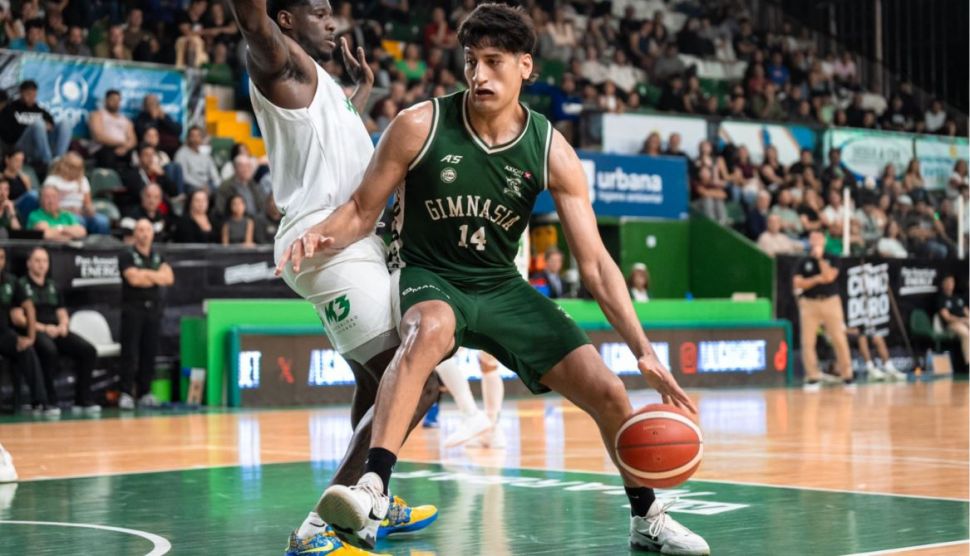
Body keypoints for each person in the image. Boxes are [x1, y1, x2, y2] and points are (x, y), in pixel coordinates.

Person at [279, 5, 707, 554]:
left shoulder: (550, 148)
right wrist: (319, 235)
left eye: (494, 61)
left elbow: (597, 265)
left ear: (525, 66)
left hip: (500, 285)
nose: (479, 75)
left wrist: (643, 350)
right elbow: (362, 211)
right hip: (430, 275)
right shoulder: (419, 124)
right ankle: (373, 487)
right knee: (428, 329)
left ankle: (647, 518)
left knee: (608, 390)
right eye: (471, 61)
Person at [227, 0, 440, 553]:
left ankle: (370, 501)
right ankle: (319, 526)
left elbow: (333, 135)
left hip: (350, 242)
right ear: (286, 20)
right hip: (326, 243)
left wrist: (359, 91)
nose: (331, 22)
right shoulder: (278, 61)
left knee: (374, 382)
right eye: (318, 12)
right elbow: (251, 19)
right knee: (418, 382)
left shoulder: (318, 86)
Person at [17, 247, 100, 413]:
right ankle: (49, 401)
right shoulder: (21, 285)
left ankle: (83, 400)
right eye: (37, 261)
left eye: (44, 261)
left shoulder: (53, 286)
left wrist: (63, 325)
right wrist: (44, 328)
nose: (41, 265)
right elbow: (19, 318)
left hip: (56, 329)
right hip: (35, 330)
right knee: (49, 350)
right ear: (28, 263)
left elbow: (62, 312)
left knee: (88, 350)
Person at [118, 219, 174, 410]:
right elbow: (133, 279)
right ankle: (126, 392)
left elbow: (168, 278)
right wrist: (155, 276)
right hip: (132, 309)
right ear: (135, 234)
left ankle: (144, 392)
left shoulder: (158, 256)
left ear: (152, 233)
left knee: (149, 351)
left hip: (153, 310)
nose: (144, 234)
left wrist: (145, 274)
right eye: (140, 230)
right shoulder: (127, 255)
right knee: (130, 352)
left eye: (147, 230)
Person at [794, 231, 852, 390]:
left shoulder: (832, 258)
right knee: (807, 341)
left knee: (839, 338)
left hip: (830, 302)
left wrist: (820, 259)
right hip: (809, 303)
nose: (815, 242)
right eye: (812, 239)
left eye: (818, 239)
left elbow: (829, 277)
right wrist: (817, 279)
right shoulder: (803, 261)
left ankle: (847, 375)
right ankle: (813, 377)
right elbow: (798, 283)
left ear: (824, 241)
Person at [0, 247, 55, 415]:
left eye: (1, 257)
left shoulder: (10, 281)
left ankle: (40, 402)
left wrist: (31, 337)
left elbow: (29, 307)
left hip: (3, 333)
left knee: (26, 349)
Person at [0, 81, 72, 167]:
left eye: (34, 95)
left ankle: (58, 160)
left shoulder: (39, 110)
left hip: (42, 145)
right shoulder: (10, 109)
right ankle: (48, 162)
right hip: (21, 146)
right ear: (21, 93)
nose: (31, 97)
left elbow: (51, 124)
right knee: (38, 124)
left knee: (65, 123)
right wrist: (31, 127)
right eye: (28, 94)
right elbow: (7, 135)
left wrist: (48, 127)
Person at [42, 152, 111, 235]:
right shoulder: (52, 180)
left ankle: (102, 242)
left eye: (77, 168)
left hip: (81, 212)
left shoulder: (83, 180)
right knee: (78, 221)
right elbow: (48, 202)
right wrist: (67, 210)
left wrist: (89, 210)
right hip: (61, 213)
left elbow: (87, 203)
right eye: (71, 167)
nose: (74, 170)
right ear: (63, 166)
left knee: (102, 221)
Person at [88, 90, 138, 172]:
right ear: (106, 100)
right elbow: (98, 136)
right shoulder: (97, 115)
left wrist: (125, 147)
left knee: (133, 157)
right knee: (108, 155)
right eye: (113, 100)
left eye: (118, 100)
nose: (116, 102)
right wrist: (121, 143)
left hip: (124, 148)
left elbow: (133, 140)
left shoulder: (125, 120)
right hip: (103, 148)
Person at [174, 126, 221, 192]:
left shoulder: (205, 155)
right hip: (191, 186)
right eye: (192, 136)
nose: (195, 139)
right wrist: (200, 186)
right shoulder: (181, 154)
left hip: (207, 185)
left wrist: (218, 185)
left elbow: (214, 175)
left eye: (198, 136)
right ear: (188, 138)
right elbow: (184, 177)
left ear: (201, 138)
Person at [936, 274, 968, 364]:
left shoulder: (958, 298)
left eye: (952, 282)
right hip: (951, 325)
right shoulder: (941, 299)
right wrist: (963, 320)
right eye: (948, 282)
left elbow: (966, 311)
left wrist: (968, 319)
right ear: (943, 284)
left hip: (964, 322)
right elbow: (947, 318)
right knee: (966, 333)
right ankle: (968, 364)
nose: (950, 284)